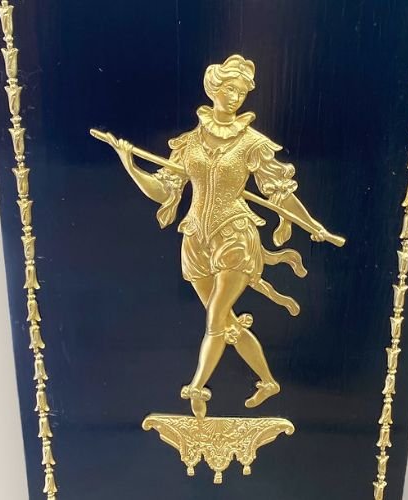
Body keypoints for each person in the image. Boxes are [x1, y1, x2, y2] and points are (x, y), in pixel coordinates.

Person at [109, 55, 327, 419]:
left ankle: (197, 387)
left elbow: (279, 192)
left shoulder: (252, 143)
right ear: (213, 88)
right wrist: (129, 164)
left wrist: (311, 224)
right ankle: (268, 381)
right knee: (226, 322)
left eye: (242, 92)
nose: (235, 97)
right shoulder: (189, 143)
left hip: (235, 235)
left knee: (215, 318)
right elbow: (164, 191)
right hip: (196, 238)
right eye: (229, 89)